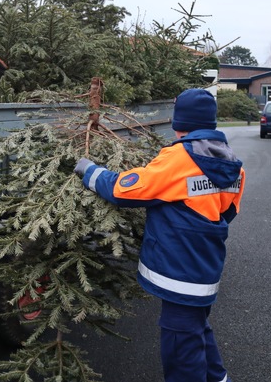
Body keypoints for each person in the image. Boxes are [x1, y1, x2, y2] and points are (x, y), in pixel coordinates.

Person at [74, 88, 245, 382]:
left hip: (178, 275)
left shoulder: (178, 159)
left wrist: (90, 171)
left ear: (178, 124)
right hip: (205, 270)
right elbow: (227, 212)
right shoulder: (232, 164)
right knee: (197, 330)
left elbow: (124, 189)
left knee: (181, 351)